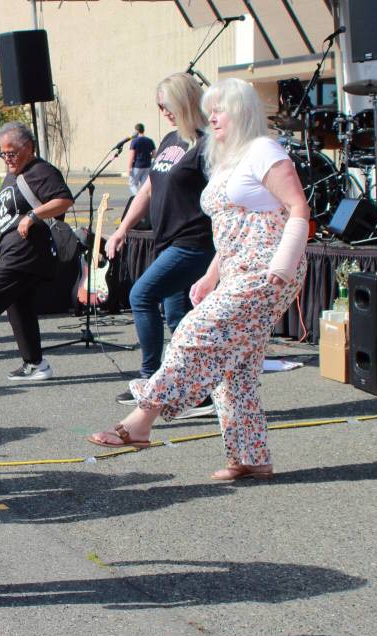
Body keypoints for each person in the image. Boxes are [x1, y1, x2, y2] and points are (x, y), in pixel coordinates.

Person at [88, 78, 309, 482]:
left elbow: (298, 208)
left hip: (267, 270)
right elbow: (230, 229)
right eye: (210, 110)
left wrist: (282, 267)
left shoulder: (264, 150)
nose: (212, 117)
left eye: (220, 110)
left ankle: (141, 419)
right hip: (236, 267)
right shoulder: (228, 157)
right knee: (233, 368)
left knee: (192, 330)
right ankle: (251, 457)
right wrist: (211, 276)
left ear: (241, 110)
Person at [104, 74, 217, 419]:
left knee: (141, 296)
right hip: (166, 240)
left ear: (184, 101)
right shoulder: (170, 140)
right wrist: (122, 228)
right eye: (159, 106)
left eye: (166, 105)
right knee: (179, 318)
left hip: (193, 243)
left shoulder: (207, 144)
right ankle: (196, 394)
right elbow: (149, 189)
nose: (162, 112)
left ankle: (151, 379)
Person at [0, 121, 73, 381]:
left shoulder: (41, 170)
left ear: (29, 148)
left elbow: (64, 200)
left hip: (30, 249)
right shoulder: (13, 175)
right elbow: (6, 215)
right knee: (17, 306)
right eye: (3, 153)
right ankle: (36, 364)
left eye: (11, 153)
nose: (7, 158)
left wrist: (33, 215)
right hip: (14, 246)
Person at [127, 123, 156, 195]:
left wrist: (129, 167)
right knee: (144, 185)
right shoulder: (150, 140)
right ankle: (146, 200)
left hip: (137, 166)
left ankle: (137, 197)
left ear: (136, 130)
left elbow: (132, 155)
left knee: (132, 184)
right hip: (147, 165)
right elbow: (155, 153)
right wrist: (148, 157)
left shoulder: (135, 141)